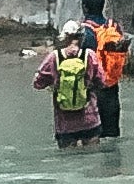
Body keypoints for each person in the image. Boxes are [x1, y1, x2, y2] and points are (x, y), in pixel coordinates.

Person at [33, 16, 104, 150]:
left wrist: (54, 83)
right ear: (81, 37)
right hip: (89, 118)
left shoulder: (54, 57)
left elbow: (37, 83)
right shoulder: (89, 55)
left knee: (68, 161)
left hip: (64, 123)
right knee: (92, 157)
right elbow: (102, 81)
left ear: (64, 38)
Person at [84, 0, 130, 141]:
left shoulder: (85, 31)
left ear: (84, 7)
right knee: (112, 137)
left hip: (92, 92)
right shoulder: (113, 27)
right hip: (112, 90)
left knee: (93, 140)